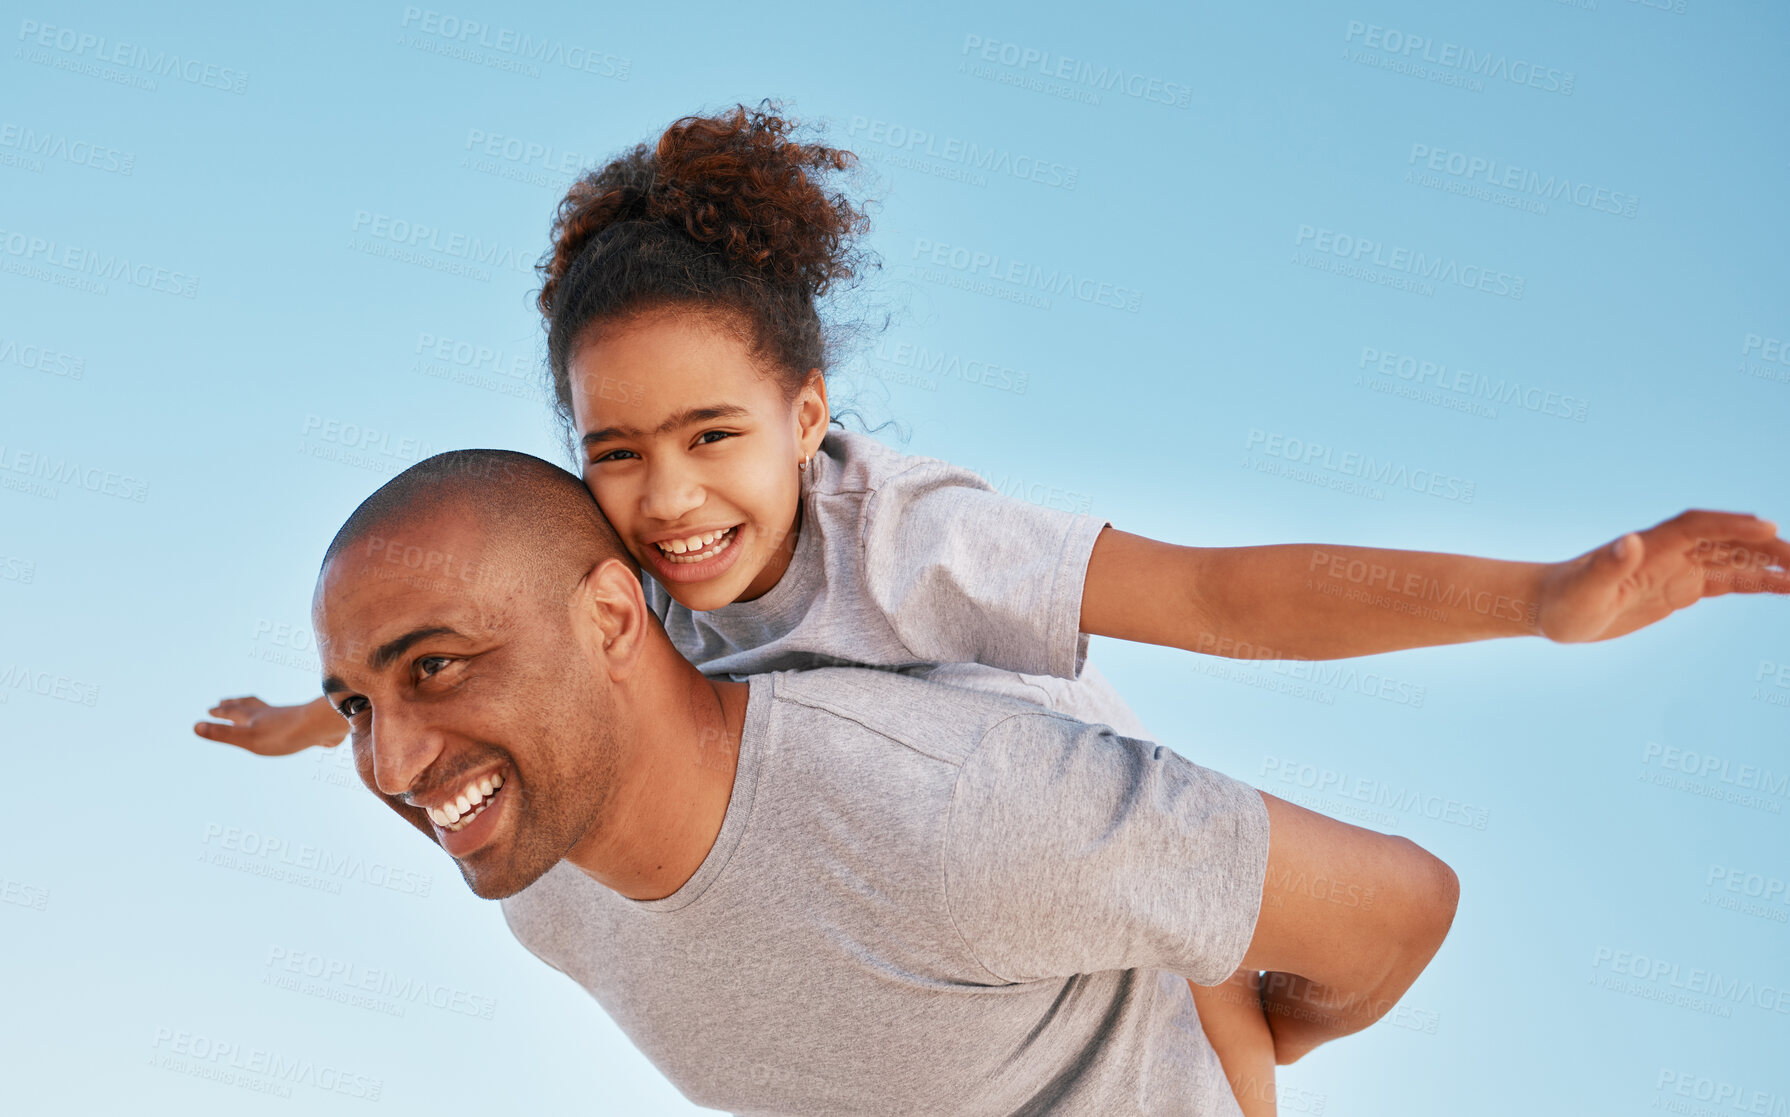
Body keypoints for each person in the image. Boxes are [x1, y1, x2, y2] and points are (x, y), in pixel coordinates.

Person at [199, 102, 1789, 1113]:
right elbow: (477, 645)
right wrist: (321, 714)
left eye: (712, 440)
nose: (673, 502)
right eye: (617, 453)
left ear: (807, 418)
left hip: (1076, 828)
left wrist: (1542, 598)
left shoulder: (908, 544)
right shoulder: (612, 614)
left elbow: (1215, 596)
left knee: (1215, 1018)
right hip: (930, 901)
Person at [311, 448, 1460, 1117]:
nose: (394, 762)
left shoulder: (957, 811)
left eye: (437, 666)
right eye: (360, 704)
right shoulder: (544, 880)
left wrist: (1251, 1029)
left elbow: (1399, 904)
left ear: (614, 614)